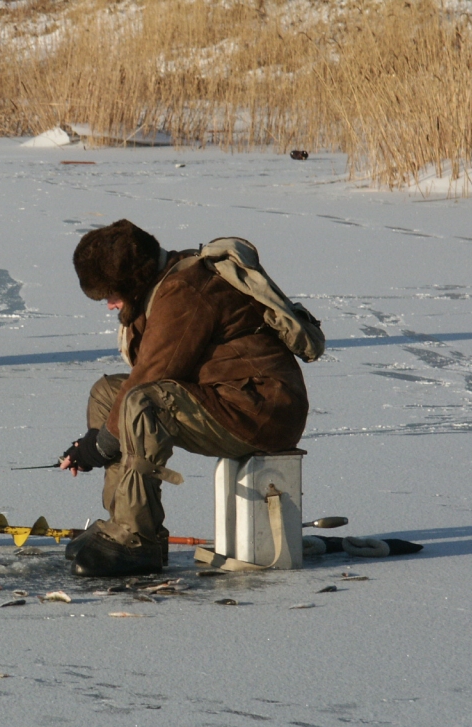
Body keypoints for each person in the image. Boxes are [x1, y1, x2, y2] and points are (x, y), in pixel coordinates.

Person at [59, 219, 312, 577]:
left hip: (262, 409)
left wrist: (98, 447)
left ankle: (137, 538)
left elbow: (152, 376)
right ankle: (122, 525)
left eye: (111, 295)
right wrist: (95, 443)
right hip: (227, 397)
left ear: (133, 282)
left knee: (142, 403)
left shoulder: (184, 292)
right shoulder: (164, 284)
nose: (110, 306)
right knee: (108, 394)